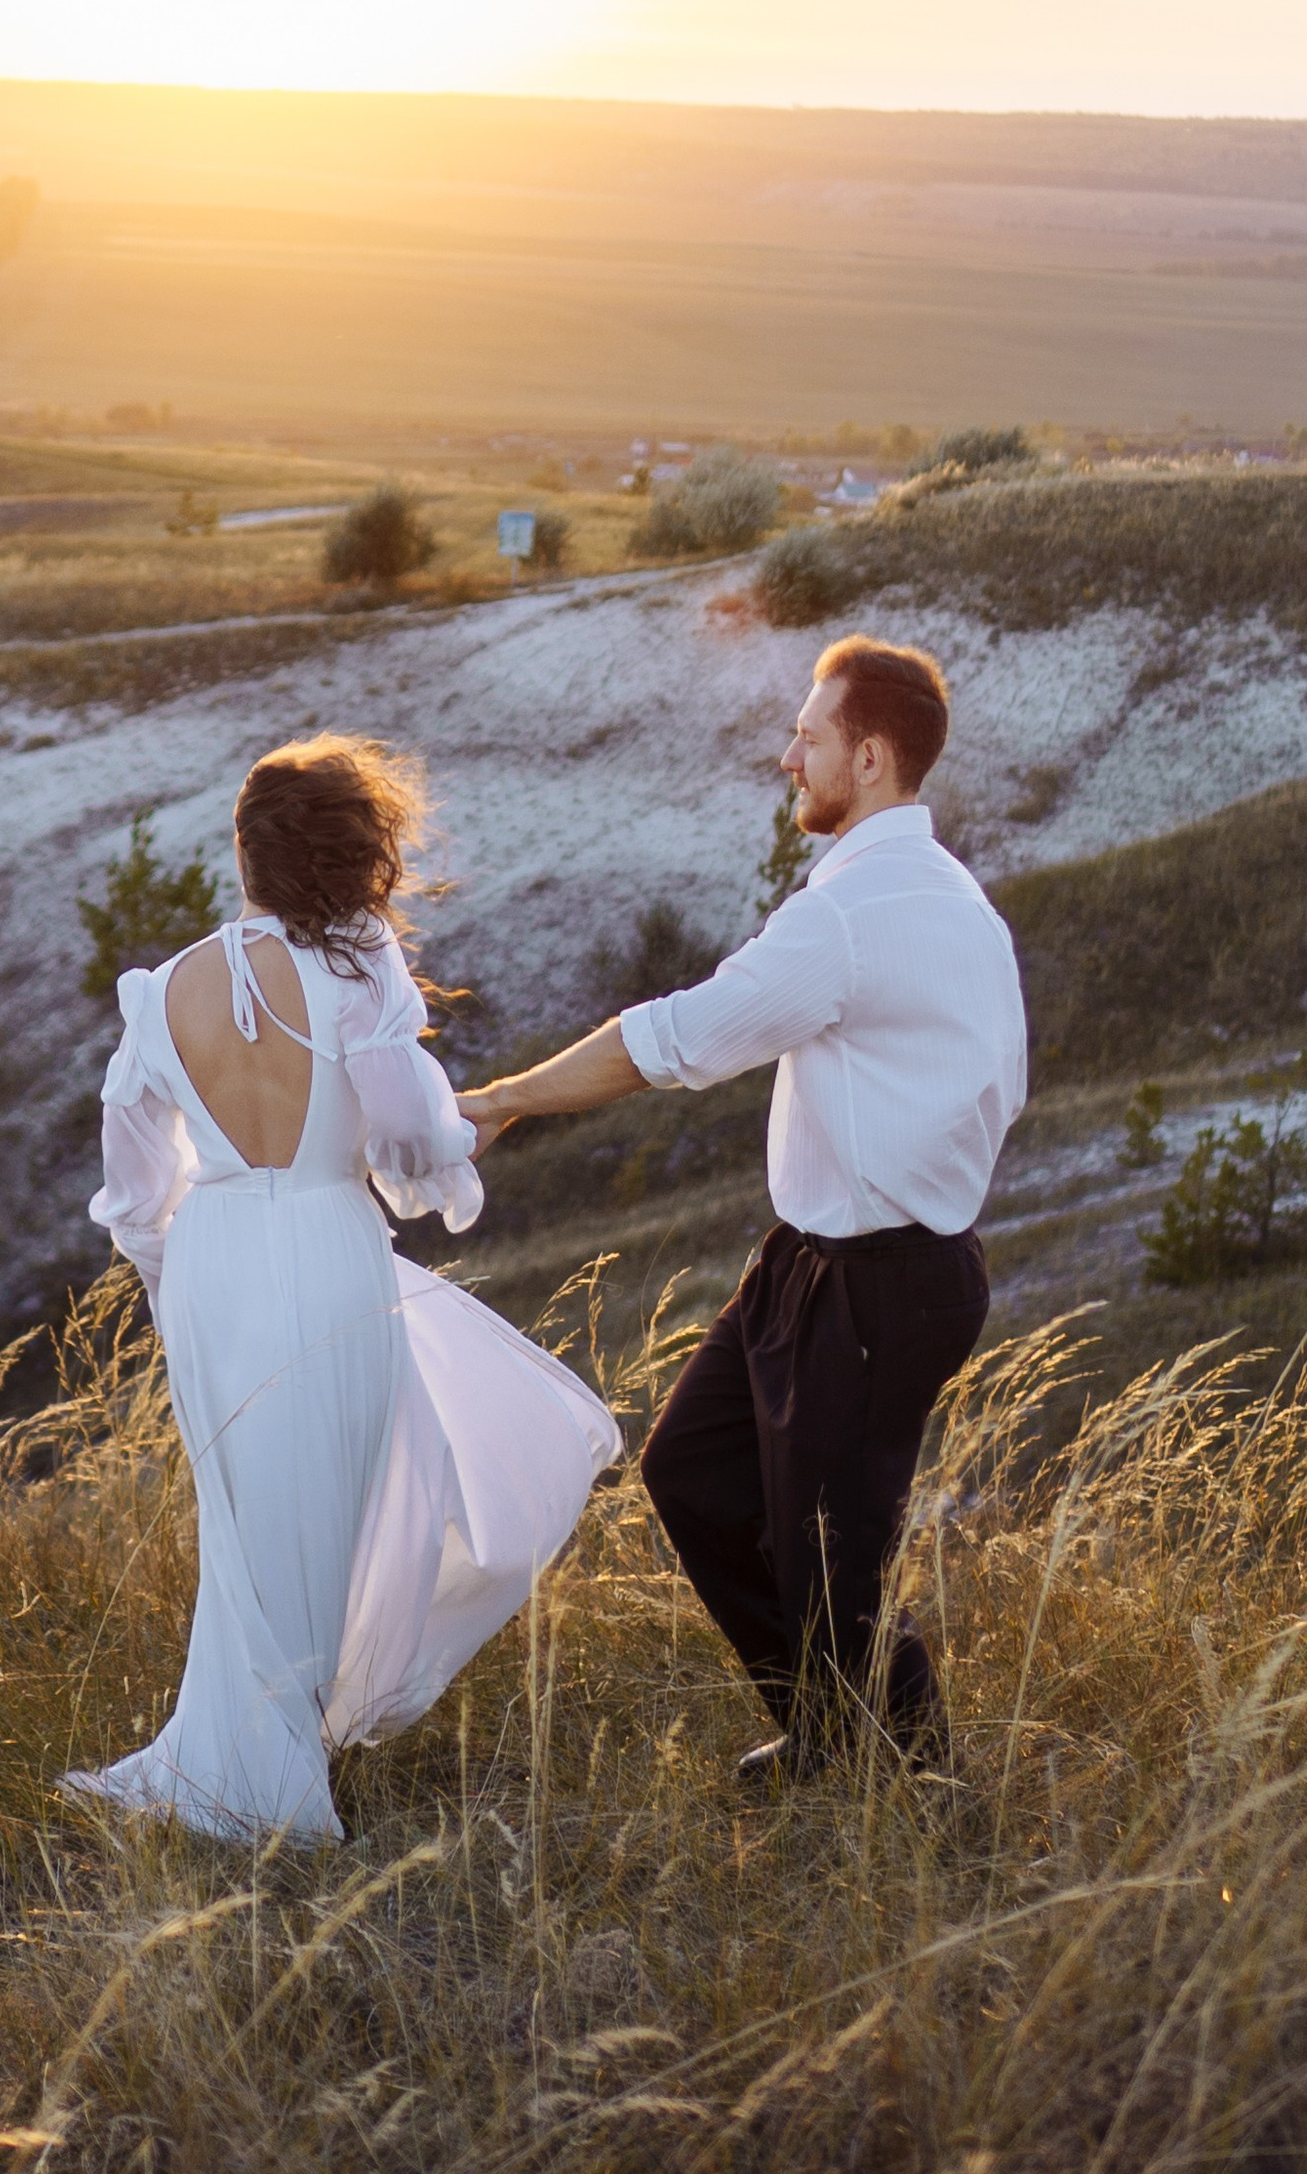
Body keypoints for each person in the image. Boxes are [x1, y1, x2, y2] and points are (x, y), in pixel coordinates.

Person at [461, 634, 1024, 1786]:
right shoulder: (955, 898)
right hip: (821, 1262)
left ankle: (920, 1791)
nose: (786, 757)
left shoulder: (850, 913)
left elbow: (672, 1040)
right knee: (691, 1471)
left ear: (867, 759)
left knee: (831, 1557)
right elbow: (1000, 1086)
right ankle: (828, 1729)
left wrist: (506, 1099)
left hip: (881, 1277)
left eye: (806, 738)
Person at [67, 732, 619, 1842]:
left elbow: (132, 1199)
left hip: (211, 1262)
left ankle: (246, 1761)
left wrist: (178, 1292)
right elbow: (409, 1136)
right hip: (325, 1244)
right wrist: (459, 1144)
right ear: (356, 856)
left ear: (244, 854)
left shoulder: (160, 993)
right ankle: (269, 1785)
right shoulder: (355, 971)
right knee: (330, 1512)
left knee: (244, 1529)